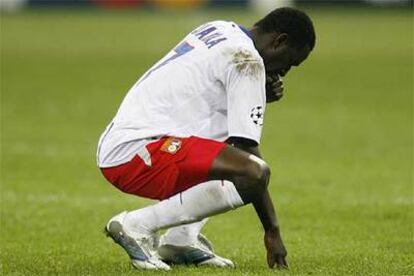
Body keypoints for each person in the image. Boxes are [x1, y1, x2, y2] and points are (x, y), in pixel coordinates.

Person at [97, 7, 315, 271]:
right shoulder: (247, 61)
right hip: (138, 152)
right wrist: (272, 230)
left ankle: (180, 240)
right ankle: (137, 225)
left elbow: (204, 98)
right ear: (279, 41)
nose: (285, 72)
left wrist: (256, 94)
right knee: (253, 173)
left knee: (227, 150)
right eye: (291, 62)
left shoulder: (221, 28)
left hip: (125, 141)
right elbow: (249, 157)